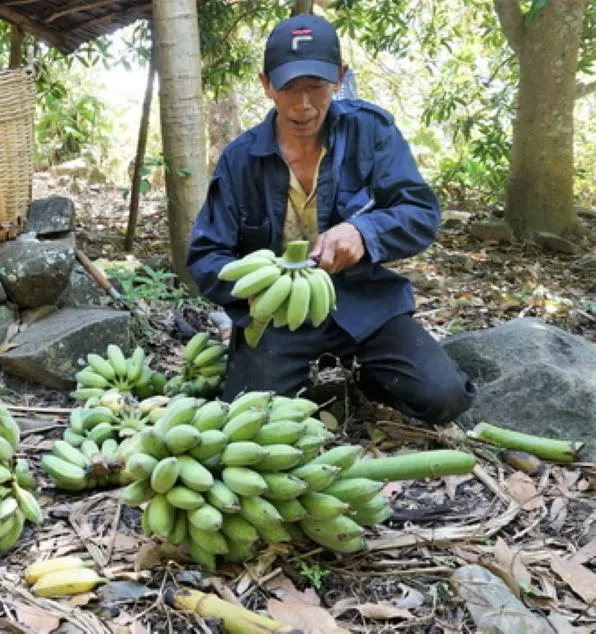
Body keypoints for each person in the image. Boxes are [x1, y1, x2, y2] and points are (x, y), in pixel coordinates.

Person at [187, 15, 475, 424]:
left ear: (339, 78)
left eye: (316, 86)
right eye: (289, 87)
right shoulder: (240, 160)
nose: (303, 104)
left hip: (366, 303)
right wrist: (254, 286)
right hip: (279, 317)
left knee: (444, 397)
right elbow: (205, 254)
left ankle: (371, 378)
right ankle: (292, 375)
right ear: (266, 83)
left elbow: (421, 213)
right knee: (248, 421)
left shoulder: (371, 132)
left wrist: (364, 231)